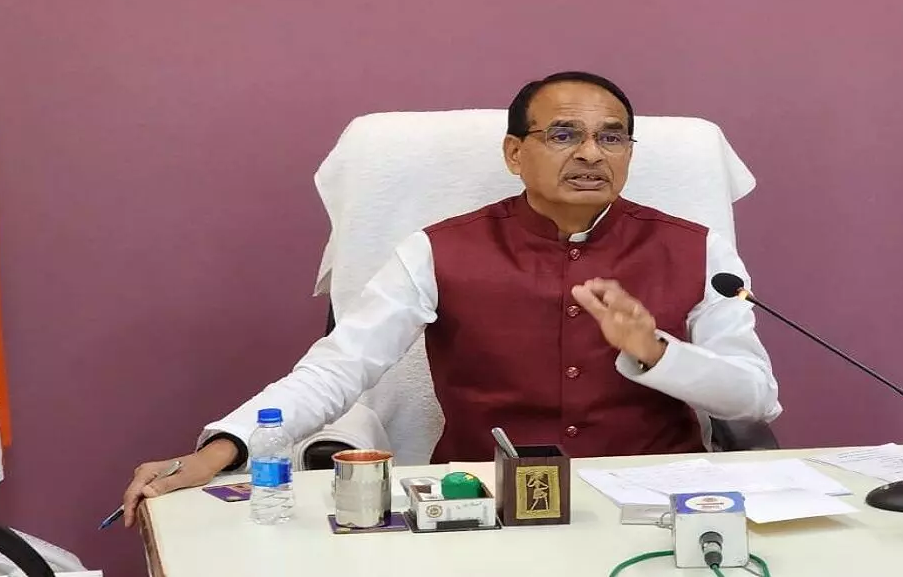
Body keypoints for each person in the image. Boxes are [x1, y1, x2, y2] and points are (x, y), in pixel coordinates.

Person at [121, 71, 781, 526]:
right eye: (563, 135)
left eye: (611, 137)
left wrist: (657, 352)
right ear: (515, 153)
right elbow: (340, 367)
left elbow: (756, 398)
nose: (591, 153)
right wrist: (221, 450)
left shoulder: (698, 250)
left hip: (649, 507)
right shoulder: (438, 249)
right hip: (483, 506)